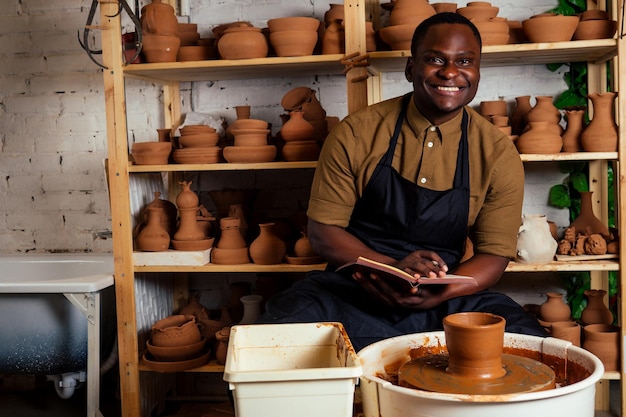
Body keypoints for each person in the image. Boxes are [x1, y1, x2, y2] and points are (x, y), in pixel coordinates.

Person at [258, 12, 547, 351]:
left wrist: (444, 290)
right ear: (411, 69)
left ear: (478, 71)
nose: (451, 72)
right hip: (354, 287)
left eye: (465, 61)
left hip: (444, 296)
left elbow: (494, 256)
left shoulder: (497, 153)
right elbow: (323, 234)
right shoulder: (356, 133)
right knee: (272, 338)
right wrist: (390, 266)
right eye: (435, 59)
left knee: (533, 345)